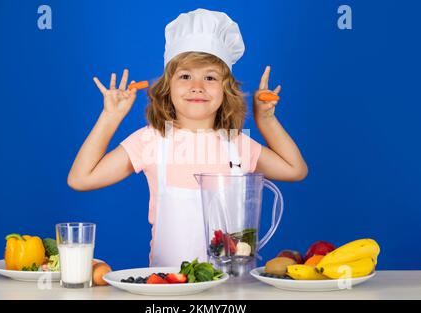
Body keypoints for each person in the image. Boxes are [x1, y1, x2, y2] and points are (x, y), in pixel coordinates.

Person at [67, 8, 308, 267]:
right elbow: (81, 178)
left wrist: (266, 120)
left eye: (210, 77)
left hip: (230, 291)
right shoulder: (151, 140)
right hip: (168, 288)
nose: (197, 86)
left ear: (226, 91)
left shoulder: (237, 144)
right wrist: (110, 117)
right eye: (185, 76)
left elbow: (296, 170)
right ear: (167, 87)